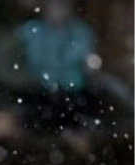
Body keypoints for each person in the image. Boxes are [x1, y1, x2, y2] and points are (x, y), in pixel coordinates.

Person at [16, 0, 105, 132]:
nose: (57, 10)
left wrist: (90, 67)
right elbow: (19, 58)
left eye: (62, 5)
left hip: (75, 93)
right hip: (39, 92)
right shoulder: (31, 31)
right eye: (53, 5)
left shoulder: (81, 32)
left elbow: (87, 60)